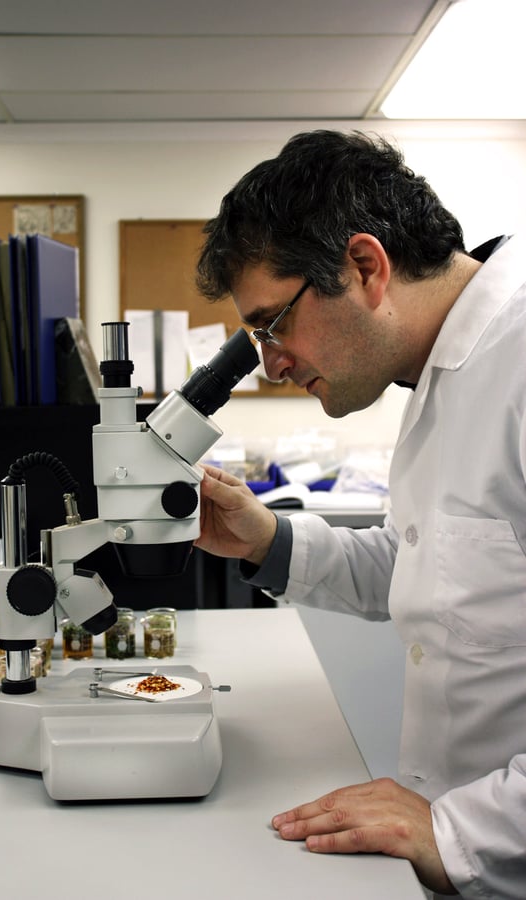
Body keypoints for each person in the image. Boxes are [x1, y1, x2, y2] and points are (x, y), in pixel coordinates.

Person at [193, 130, 526, 900]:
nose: (272, 364)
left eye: (273, 325)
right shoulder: (440, 369)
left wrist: (460, 831)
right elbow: (433, 564)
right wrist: (265, 540)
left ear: (367, 268)